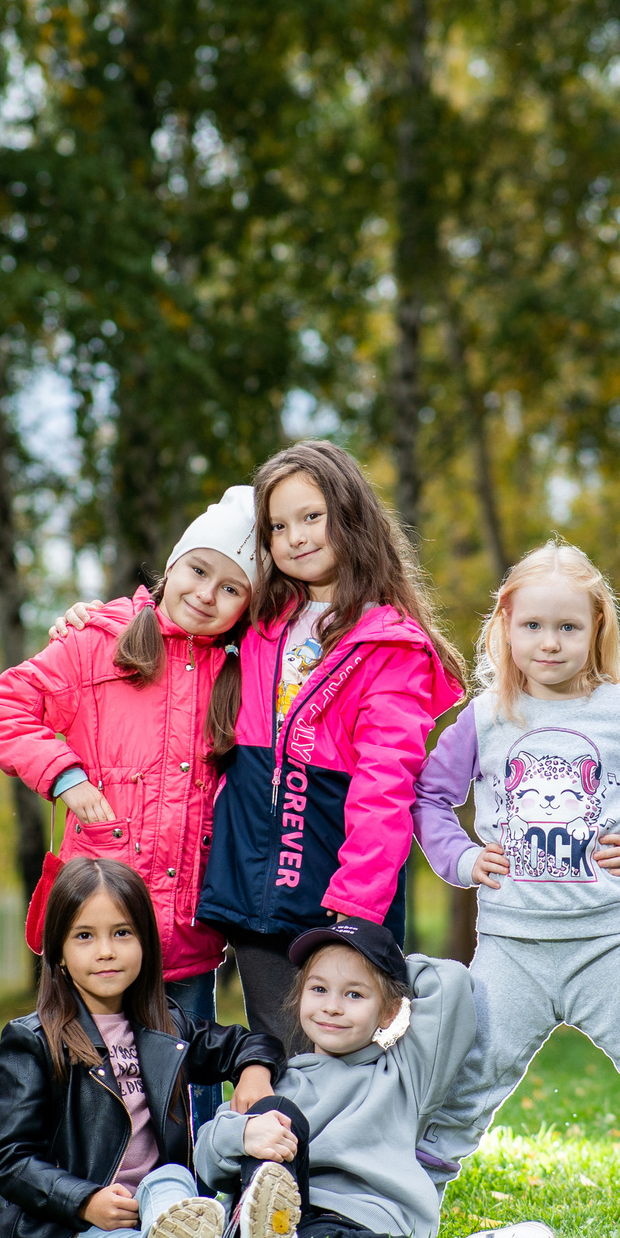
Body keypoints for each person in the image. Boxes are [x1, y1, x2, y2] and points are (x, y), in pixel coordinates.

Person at [413, 541, 620, 1168]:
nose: (550, 642)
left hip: (611, 942)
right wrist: (460, 858)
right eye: (532, 626)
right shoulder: (484, 718)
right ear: (505, 627)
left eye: (568, 627)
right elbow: (429, 796)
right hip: (511, 946)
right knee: (468, 1083)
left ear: (596, 630)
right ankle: (404, 1205)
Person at [0, 487, 258, 1126]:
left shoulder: (245, 671)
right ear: (172, 566)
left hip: (184, 937)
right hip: (97, 921)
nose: (207, 594)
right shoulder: (94, 645)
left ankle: (198, 1199)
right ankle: (81, 1187)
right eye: (198, 569)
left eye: (232, 588)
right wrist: (64, 774)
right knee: (86, 1082)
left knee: (186, 1088)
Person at [195, 441, 467, 1047]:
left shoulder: (389, 645)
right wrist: (99, 619)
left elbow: (385, 784)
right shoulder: (258, 620)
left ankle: (364, 1143)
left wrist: (357, 907)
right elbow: (176, 615)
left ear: (349, 514)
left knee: (344, 1054)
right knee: (280, 1046)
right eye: (278, 525)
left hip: (336, 892)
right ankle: (284, 1143)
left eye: (311, 516)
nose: (295, 537)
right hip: (251, 885)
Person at [195, 922, 555, 1238]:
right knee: (275, 1116)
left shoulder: (404, 1071)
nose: (332, 1007)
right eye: (318, 989)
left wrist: (383, 968)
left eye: (354, 995)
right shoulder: (277, 1082)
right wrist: (244, 1136)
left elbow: (450, 982)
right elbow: (208, 1158)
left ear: (388, 1012)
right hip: (281, 1219)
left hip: (360, 1221)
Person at [0, 858, 285, 1238]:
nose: (106, 951)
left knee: (171, 1176)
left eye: (122, 933)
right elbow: (8, 1160)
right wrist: (85, 1201)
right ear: (60, 954)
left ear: (145, 942)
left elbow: (249, 1042)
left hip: (159, 1203)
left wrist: (254, 1070)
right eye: (84, 936)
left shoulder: (168, 1028)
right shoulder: (32, 1042)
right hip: (68, 1224)